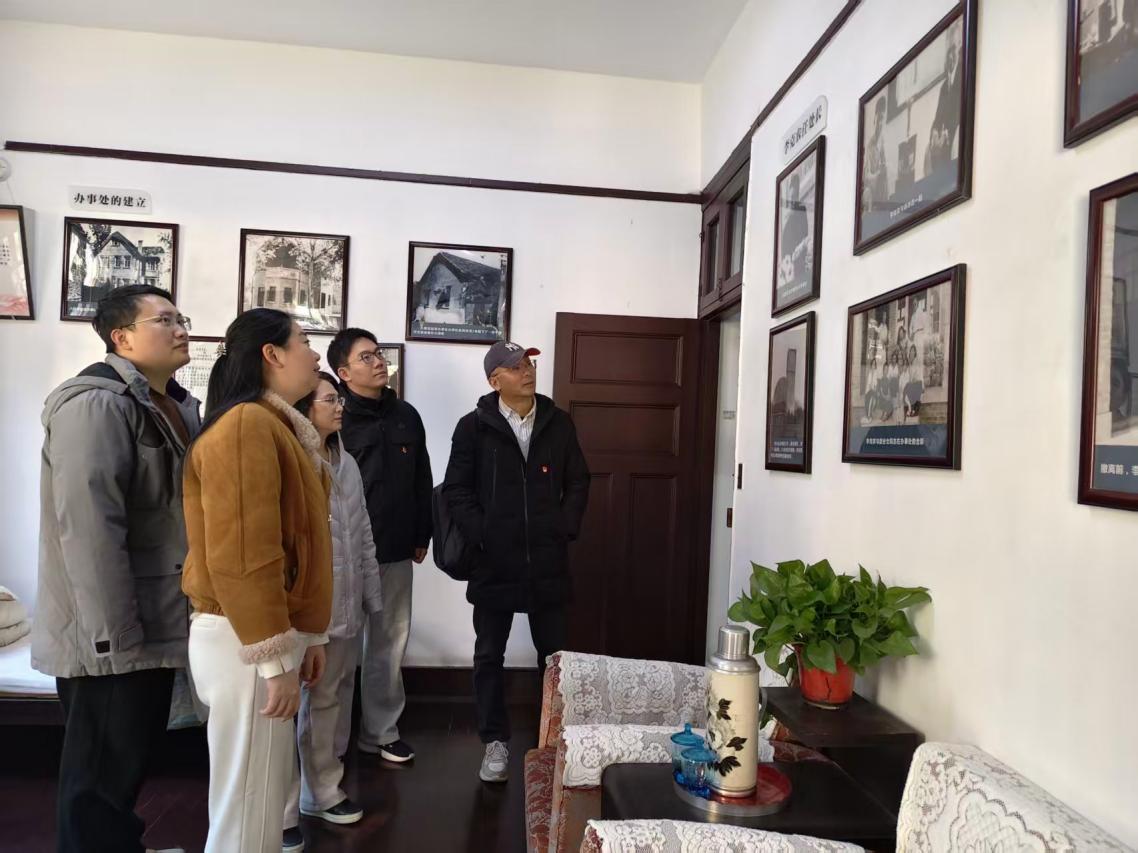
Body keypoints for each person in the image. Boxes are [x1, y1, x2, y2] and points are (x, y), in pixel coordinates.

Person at [32, 284, 198, 853]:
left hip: (150, 619)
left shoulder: (168, 403)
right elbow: (89, 528)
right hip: (110, 631)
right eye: (164, 320)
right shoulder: (96, 404)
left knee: (125, 767)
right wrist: (112, 635)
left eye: (180, 318)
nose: (181, 329)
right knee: (98, 779)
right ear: (121, 338)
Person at [181, 309, 332, 853]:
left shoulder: (273, 426)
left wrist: (308, 637)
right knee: (247, 806)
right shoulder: (247, 425)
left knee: (260, 801)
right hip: (244, 638)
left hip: (256, 634)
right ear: (272, 354)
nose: (315, 354)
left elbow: (299, 545)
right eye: (305, 341)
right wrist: (273, 659)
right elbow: (245, 556)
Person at [442, 341, 590, 782]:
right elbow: (456, 489)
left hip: (547, 559)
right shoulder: (473, 427)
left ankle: (555, 741)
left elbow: (579, 480)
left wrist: (563, 526)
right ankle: (495, 741)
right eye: (515, 367)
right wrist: (483, 534)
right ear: (495, 381)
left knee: (555, 657)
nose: (527, 371)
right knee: (489, 654)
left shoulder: (558, 423)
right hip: (493, 562)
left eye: (528, 363)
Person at [282, 372, 382, 848]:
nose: (339, 406)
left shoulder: (347, 461)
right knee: (301, 705)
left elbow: (362, 532)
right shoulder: (294, 457)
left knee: (334, 697)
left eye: (338, 399)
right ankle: (295, 804)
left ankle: (324, 786)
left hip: (346, 601)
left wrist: (370, 594)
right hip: (308, 607)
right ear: (305, 408)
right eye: (329, 399)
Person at [329, 327, 433, 763]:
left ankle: (381, 731)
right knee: (339, 649)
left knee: (389, 643)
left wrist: (422, 533)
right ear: (343, 372)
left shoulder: (405, 414)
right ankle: (331, 744)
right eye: (366, 357)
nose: (378, 363)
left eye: (378, 354)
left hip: (394, 547)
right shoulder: (332, 416)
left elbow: (422, 476)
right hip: (344, 553)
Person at [929, 23, 962, 172]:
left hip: (956, 134)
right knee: (934, 150)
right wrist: (935, 132)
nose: (951, 56)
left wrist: (947, 132)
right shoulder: (943, 87)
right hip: (945, 139)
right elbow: (938, 117)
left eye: (954, 49)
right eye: (949, 51)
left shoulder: (963, 76)